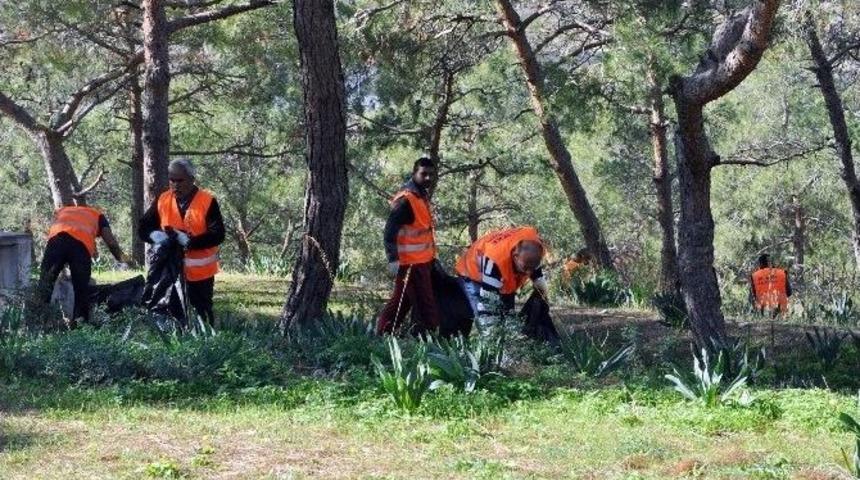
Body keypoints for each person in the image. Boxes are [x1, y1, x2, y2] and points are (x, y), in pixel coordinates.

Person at [138, 158, 225, 326]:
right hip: (168, 271)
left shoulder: (207, 201)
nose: (175, 185)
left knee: (202, 315)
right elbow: (143, 227)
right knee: (168, 312)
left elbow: (218, 234)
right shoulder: (163, 200)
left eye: (180, 180)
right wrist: (156, 236)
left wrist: (190, 242)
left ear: (192, 179)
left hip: (199, 274)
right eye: (172, 180)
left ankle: (205, 344)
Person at [37, 197, 130, 328]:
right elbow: (111, 243)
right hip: (80, 247)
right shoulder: (98, 215)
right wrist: (124, 260)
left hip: (56, 242)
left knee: (45, 285)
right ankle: (80, 326)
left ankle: (38, 323)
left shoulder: (63, 210)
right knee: (81, 289)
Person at [376, 157, 441, 336]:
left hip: (422, 263)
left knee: (402, 301)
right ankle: (434, 341)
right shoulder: (406, 200)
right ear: (414, 174)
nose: (428, 178)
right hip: (411, 265)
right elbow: (389, 231)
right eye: (424, 174)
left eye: (431, 175)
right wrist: (393, 260)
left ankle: (382, 335)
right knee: (426, 305)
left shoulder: (420, 196)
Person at [455, 226, 549, 342]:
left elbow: (534, 266)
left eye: (532, 268)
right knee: (486, 316)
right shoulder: (495, 262)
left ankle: (509, 342)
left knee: (507, 314)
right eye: (525, 268)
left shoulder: (535, 246)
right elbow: (487, 304)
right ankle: (478, 343)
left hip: (502, 270)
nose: (528, 273)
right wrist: (492, 338)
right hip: (472, 274)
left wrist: (540, 286)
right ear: (515, 256)